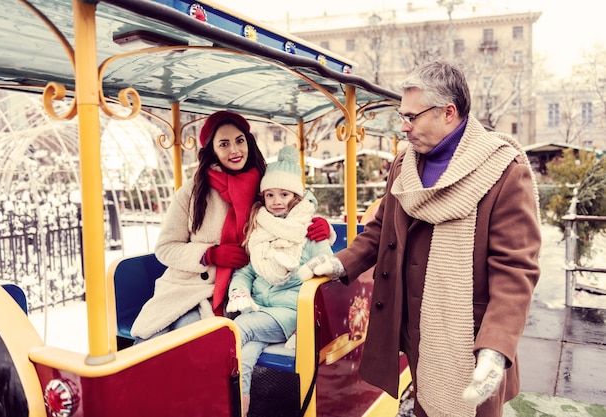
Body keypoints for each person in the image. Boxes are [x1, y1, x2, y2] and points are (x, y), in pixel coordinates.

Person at [298, 61, 541, 417]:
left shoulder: (504, 172)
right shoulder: (405, 165)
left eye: (411, 117)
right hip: (415, 327)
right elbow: (383, 229)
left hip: (470, 337)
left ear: (448, 112)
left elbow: (515, 269)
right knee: (427, 405)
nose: (403, 126)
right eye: (402, 115)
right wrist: (341, 261)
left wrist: (495, 347)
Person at [130, 111, 331, 341]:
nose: (234, 150)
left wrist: (323, 227)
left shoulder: (267, 185)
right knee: (148, 342)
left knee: (187, 341)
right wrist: (209, 254)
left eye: (239, 141)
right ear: (212, 150)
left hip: (235, 290)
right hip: (184, 286)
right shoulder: (193, 191)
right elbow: (165, 248)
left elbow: (299, 207)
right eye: (224, 144)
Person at [225, 145, 334, 417]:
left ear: (296, 197)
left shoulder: (307, 231)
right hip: (258, 306)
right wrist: (239, 290)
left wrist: (328, 235)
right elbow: (248, 270)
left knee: (236, 331)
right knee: (244, 357)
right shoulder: (259, 230)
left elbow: (327, 266)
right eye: (270, 194)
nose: (276, 201)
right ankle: (241, 410)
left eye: (284, 194)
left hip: (289, 312)